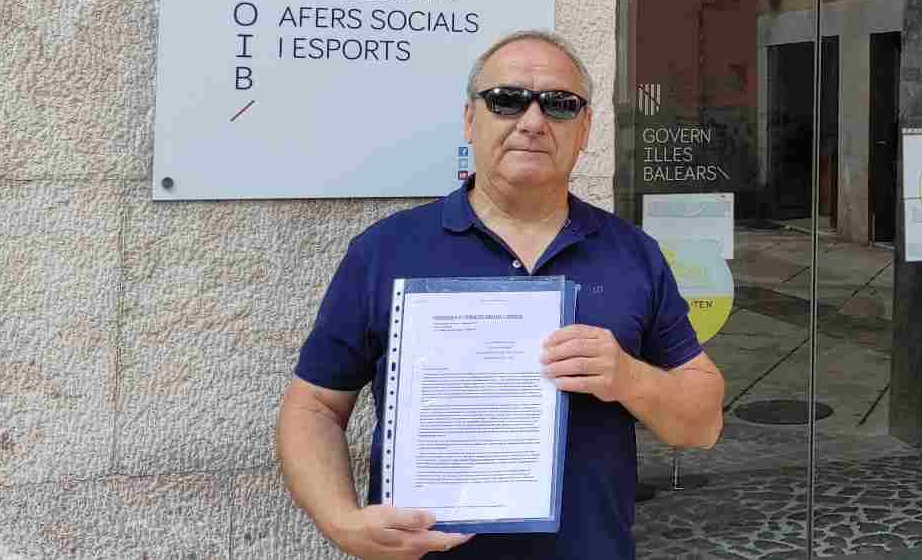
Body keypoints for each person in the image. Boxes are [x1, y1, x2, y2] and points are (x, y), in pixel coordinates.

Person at [275, 29, 725, 559]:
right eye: (507, 100)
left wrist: (629, 377)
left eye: (559, 105)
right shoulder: (385, 250)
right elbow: (315, 407)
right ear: (470, 118)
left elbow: (703, 423)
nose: (532, 121)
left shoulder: (633, 253)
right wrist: (342, 522)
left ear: (585, 129)